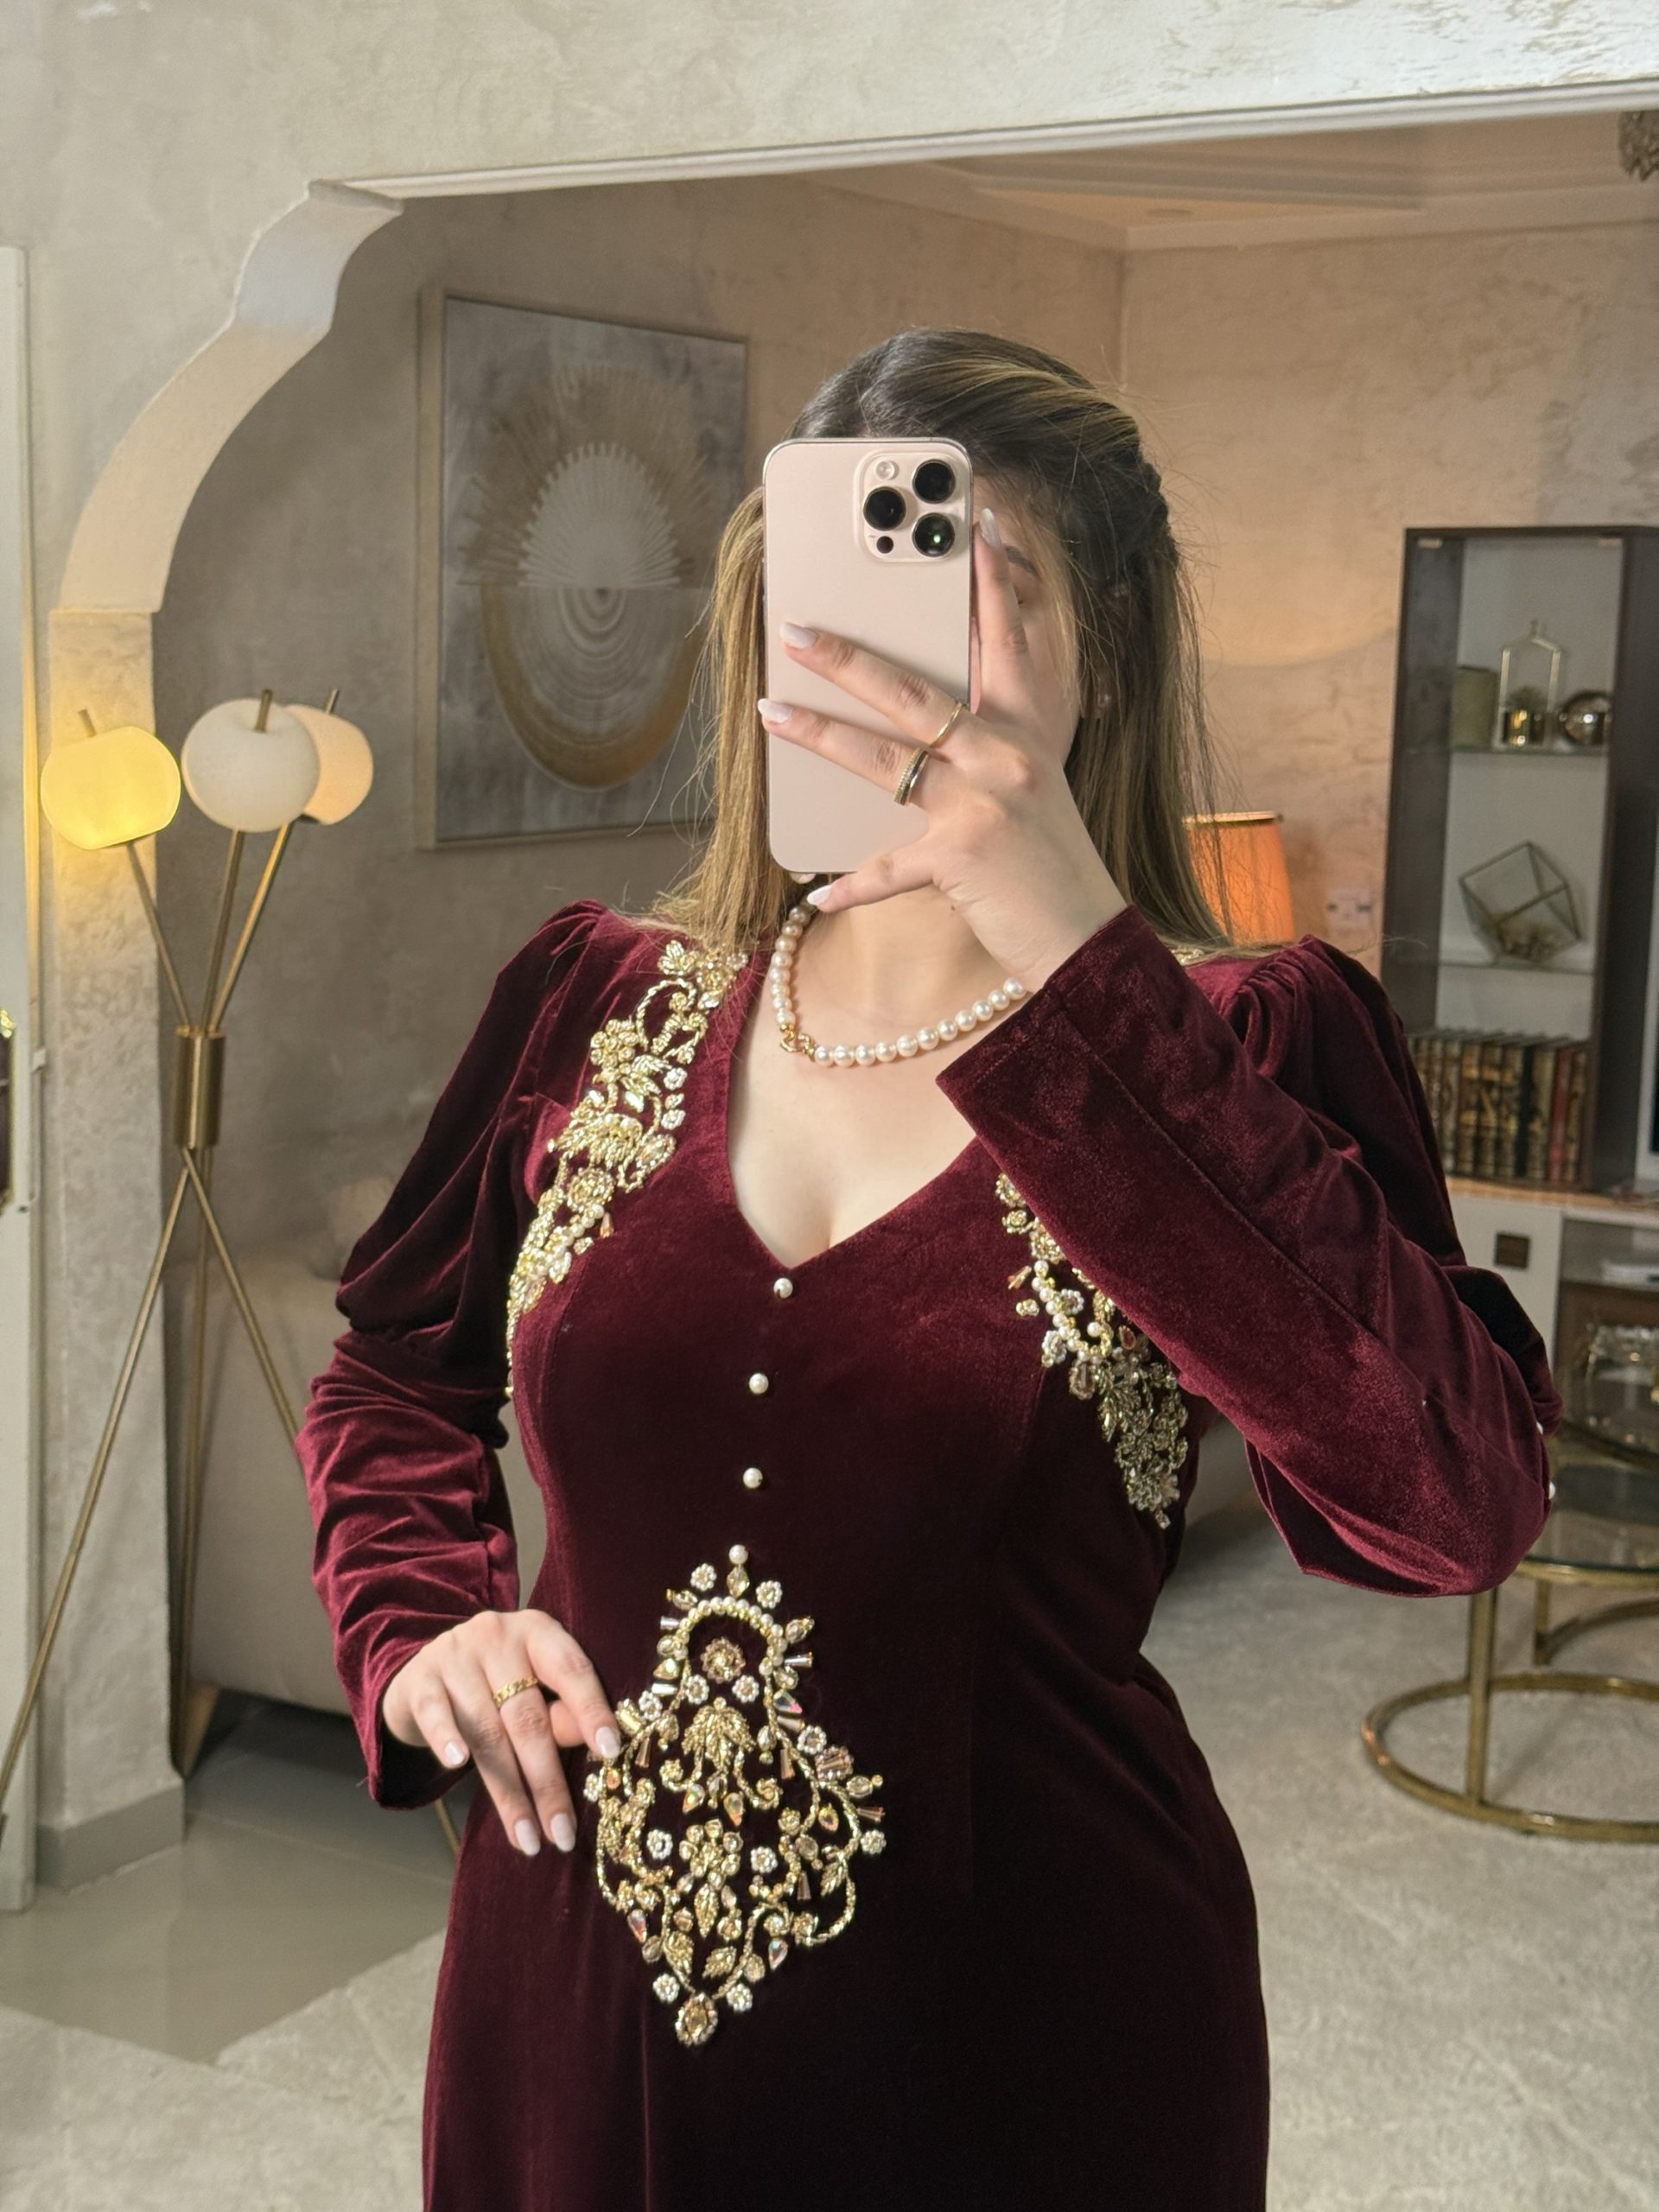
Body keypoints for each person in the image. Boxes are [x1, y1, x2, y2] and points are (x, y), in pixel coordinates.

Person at [296, 327, 1561, 2211]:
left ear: (1102, 645)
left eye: (969, 582)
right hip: (573, 1990)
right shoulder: (594, 1000)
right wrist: (421, 1627)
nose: (878, 658)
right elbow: (395, 1372)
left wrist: (1078, 954)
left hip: (1030, 2018)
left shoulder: (1242, 1043)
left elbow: (1452, 1504)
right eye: (835, 592)